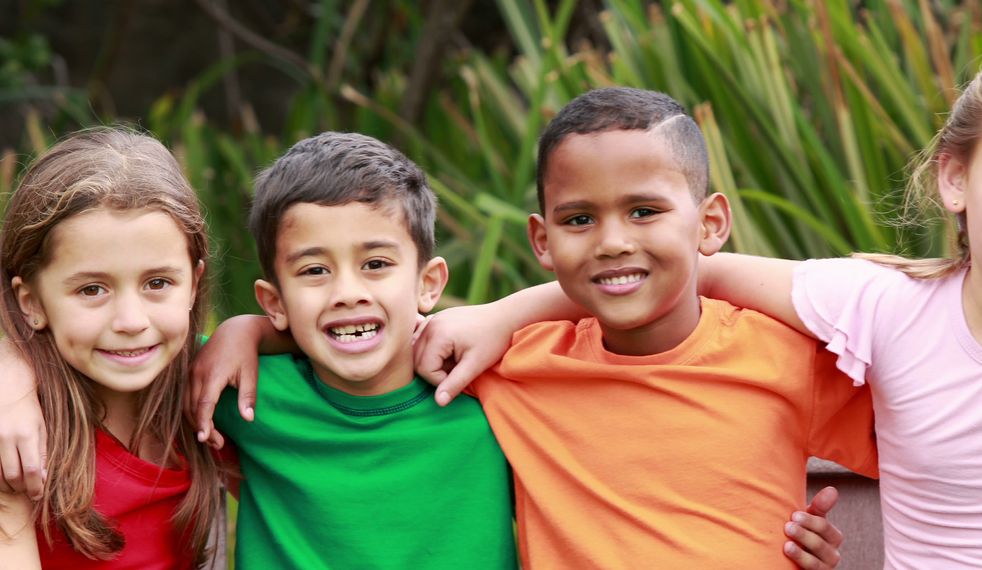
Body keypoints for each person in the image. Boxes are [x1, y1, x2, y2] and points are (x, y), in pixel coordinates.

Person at [417, 30, 982, 568]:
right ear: (955, 177)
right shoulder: (883, 308)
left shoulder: (797, 353)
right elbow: (684, 272)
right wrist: (503, 315)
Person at [197, 89, 876, 568]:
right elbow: (369, 332)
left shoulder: (783, 355)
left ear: (712, 224)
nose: (612, 242)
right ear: (542, 240)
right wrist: (249, 330)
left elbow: (932, 415)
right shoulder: (507, 370)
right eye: (580, 219)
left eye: (644, 211)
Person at [207, 132, 517, 569]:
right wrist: (244, 331)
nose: (347, 293)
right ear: (275, 302)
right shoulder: (243, 391)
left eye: (375, 264)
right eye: (314, 270)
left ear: (428, 283)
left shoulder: (490, 392)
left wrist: (503, 315)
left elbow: (628, 299)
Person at [0, 128, 222, 568]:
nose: (130, 322)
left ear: (194, 284)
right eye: (92, 289)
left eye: (157, 283)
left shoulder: (213, 391)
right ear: (33, 302)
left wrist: (250, 332)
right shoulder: (20, 435)